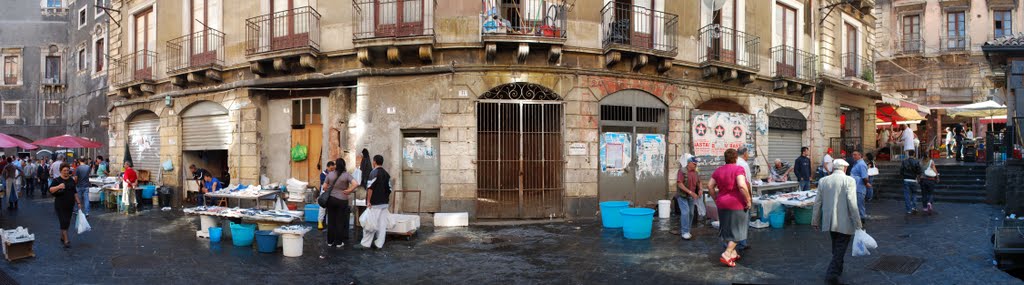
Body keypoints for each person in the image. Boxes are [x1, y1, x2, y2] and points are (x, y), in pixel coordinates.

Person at [811, 159, 863, 284]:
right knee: (840, 249)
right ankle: (832, 274)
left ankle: (838, 270)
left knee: (837, 247)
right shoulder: (849, 180)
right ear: (844, 168)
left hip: (829, 222)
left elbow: (817, 202)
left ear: (834, 168)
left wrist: (815, 220)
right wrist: (858, 223)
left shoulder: (823, 181)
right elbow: (852, 203)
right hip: (845, 221)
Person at [707, 149, 751, 267]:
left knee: (726, 229)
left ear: (725, 158)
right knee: (738, 230)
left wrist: (716, 199)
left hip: (722, 204)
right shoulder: (738, 169)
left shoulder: (718, 170)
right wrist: (748, 200)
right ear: (736, 158)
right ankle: (727, 253)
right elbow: (741, 185)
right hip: (737, 204)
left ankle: (733, 252)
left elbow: (710, 186)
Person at [324, 158, 358, 248]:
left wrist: (330, 189)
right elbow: (356, 184)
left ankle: (330, 242)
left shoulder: (330, 174)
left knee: (331, 221)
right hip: (342, 200)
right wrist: (349, 190)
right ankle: (339, 242)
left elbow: (324, 187)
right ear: (344, 165)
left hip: (331, 200)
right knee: (340, 221)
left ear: (336, 166)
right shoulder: (347, 175)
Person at [361, 155, 392, 249]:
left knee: (370, 223)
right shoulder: (387, 174)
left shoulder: (374, 173)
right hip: (384, 203)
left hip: (375, 203)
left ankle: (365, 244)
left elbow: (370, 188)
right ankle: (379, 244)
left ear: (374, 162)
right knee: (382, 225)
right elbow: (390, 189)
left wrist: (368, 201)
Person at [49, 164, 82, 249]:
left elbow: (75, 192)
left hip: (70, 205)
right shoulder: (57, 180)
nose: (66, 172)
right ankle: (66, 240)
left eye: (67, 170)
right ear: (60, 171)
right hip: (60, 205)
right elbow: (51, 190)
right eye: (64, 170)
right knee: (64, 221)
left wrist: (78, 202)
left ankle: (62, 236)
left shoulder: (71, 180)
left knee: (67, 221)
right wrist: (59, 186)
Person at [675, 154, 702, 240]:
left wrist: (700, 189)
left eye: (696, 163)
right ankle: (684, 232)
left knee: (691, 213)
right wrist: (690, 192)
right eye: (694, 163)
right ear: (689, 163)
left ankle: (687, 230)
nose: (696, 165)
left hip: (691, 196)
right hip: (682, 196)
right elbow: (679, 183)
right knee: (685, 212)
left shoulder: (696, 172)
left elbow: (699, 182)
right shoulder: (682, 171)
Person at [899, 150, 923, 215]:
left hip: (906, 180)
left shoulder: (904, 161)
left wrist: (903, 177)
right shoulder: (916, 162)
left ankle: (908, 210)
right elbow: (920, 171)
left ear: (908, 154)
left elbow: (901, 171)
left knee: (907, 195)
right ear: (914, 154)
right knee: (914, 194)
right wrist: (918, 178)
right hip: (913, 180)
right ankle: (914, 207)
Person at [849, 152, 869, 222]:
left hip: (859, 187)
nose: (853, 156)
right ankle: (858, 219)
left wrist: (866, 184)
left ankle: (862, 220)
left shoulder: (861, 164)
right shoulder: (857, 163)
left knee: (860, 204)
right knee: (857, 204)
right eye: (852, 155)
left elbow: (865, 177)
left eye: (855, 155)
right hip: (855, 187)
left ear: (860, 155)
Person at [317, 161, 336, 230]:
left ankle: (330, 223)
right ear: (327, 167)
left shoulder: (335, 174)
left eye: (333, 169)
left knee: (331, 208)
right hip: (324, 193)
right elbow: (324, 183)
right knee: (322, 208)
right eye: (331, 169)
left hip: (332, 193)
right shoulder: (323, 174)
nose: (332, 170)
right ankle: (320, 222)